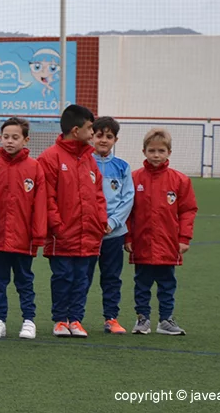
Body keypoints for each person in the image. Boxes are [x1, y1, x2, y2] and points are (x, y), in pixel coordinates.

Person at [38, 104, 107, 339]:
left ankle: (76, 319)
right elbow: (48, 197)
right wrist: (57, 227)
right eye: (90, 129)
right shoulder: (50, 158)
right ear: (76, 130)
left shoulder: (89, 159)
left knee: (82, 279)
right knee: (63, 277)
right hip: (62, 236)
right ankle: (60, 319)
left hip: (89, 234)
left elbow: (98, 193)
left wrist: (101, 220)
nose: (93, 134)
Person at [0, 117, 46, 340]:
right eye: (6, 137)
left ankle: (28, 320)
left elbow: (41, 203)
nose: (10, 141)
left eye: (15, 137)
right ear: (0, 138)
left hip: (24, 239)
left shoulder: (35, 168)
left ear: (26, 140)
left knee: (25, 281)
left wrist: (39, 234)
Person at [127, 128, 197, 336]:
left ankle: (165, 319)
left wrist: (184, 238)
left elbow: (188, 210)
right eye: (152, 150)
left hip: (168, 243)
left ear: (169, 152)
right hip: (142, 243)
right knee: (142, 284)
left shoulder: (180, 180)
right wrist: (128, 236)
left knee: (167, 284)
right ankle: (142, 319)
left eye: (161, 151)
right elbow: (127, 212)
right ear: (144, 151)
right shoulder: (134, 179)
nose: (156, 155)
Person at [88, 116, 135, 335]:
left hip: (114, 234)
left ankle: (111, 318)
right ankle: (74, 317)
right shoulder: (84, 163)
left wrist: (113, 222)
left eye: (109, 136)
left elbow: (128, 198)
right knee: (82, 277)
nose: (103, 140)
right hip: (87, 232)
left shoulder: (122, 167)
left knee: (111, 278)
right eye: (99, 135)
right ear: (92, 137)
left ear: (115, 139)